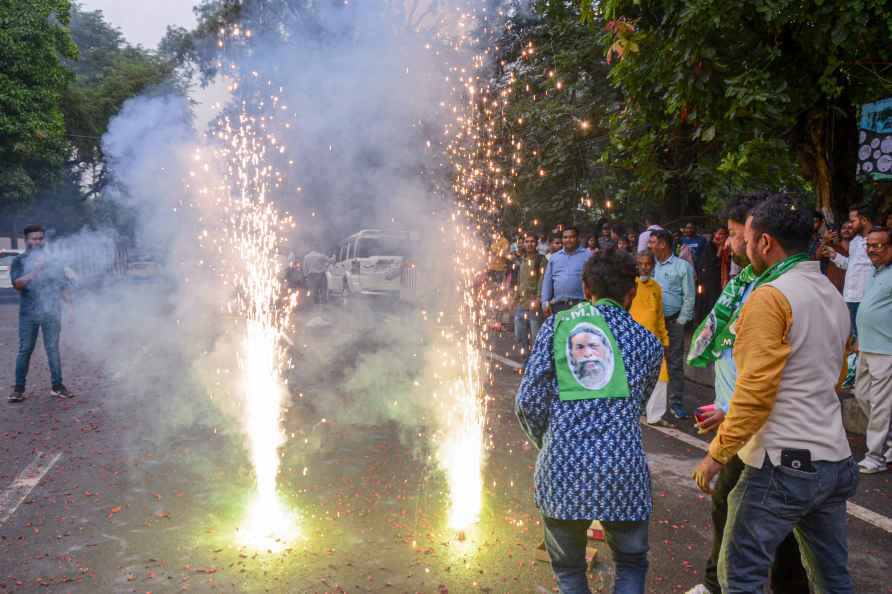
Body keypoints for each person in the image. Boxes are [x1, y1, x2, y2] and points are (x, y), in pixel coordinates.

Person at [692, 193, 856, 594]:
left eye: (747, 239)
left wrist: (717, 454)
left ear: (765, 243)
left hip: (783, 462)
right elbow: (838, 376)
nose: (744, 248)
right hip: (834, 460)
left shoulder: (771, 296)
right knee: (831, 580)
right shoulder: (831, 296)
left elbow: (755, 390)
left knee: (739, 575)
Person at [516, 250, 663, 594]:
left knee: (569, 570)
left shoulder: (558, 327)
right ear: (631, 293)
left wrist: (552, 440)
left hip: (562, 471)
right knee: (630, 563)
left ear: (585, 289)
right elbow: (637, 403)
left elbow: (527, 402)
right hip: (622, 472)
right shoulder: (649, 343)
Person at [684, 194, 809, 594]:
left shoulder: (770, 293)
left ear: (763, 239)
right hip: (756, 421)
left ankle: (718, 585)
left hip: (760, 425)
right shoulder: (753, 284)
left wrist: (722, 436)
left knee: (740, 512)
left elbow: (762, 374)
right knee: (783, 523)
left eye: (739, 236)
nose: (732, 245)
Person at [9, 225, 73, 402]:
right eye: (34, 238)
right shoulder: (19, 261)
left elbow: (63, 286)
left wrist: (73, 309)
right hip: (28, 314)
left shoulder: (53, 261)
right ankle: (18, 390)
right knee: (25, 349)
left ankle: (58, 387)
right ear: (26, 240)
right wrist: (37, 269)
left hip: (52, 311)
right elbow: (18, 284)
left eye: (40, 238)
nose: (37, 241)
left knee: (52, 349)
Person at [853, 227, 892, 474]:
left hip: (887, 350)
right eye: (869, 245)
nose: (871, 250)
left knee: (880, 404)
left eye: (878, 245)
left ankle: (875, 456)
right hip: (866, 347)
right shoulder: (877, 273)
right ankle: (889, 444)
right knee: (862, 395)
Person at [648, 229, 695, 419]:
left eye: (652, 242)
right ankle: (649, 402)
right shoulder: (649, 266)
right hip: (652, 322)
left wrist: (681, 320)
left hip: (673, 321)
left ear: (663, 244)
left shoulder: (683, 267)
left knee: (674, 363)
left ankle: (676, 403)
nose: (649, 246)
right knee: (652, 362)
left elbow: (689, 295)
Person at [629, 250, 670, 425]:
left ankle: (655, 416)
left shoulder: (656, 287)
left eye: (648, 264)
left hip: (654, 340)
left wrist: (664, 338)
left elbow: (660, 315)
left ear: (652, 266)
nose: (644, 268)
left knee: (662, 376)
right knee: (634, 377)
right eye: (641, 264)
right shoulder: (629, 286)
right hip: (633, 339)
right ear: (636, 265)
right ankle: (630, 413)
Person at [823, 203, 874, 337]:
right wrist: (834, 255)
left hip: (866, 299)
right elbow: (850, 265)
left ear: (863, 220)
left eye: (852, 221)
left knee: (864, 337)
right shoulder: (855, 241)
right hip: (849, 297)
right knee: (851, 336)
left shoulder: (878, 241)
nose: (850, 225)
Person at [541, 227, 590, 316]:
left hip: (582, 306)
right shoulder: (554, 258)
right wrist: (544, 302)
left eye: (572, 237)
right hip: (559, 306)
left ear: (578, 238)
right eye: (565, 237)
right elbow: (547, 282)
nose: (568, 240)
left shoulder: (587, 256)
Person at [514, 233, 548, 355]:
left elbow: (543, 280)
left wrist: (539, 299)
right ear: (523, 243)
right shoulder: (522, 260)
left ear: (537, 243)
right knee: (520, 336)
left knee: (536, 337)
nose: (529, 244)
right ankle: (526, 362)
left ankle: (536, 365)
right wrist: (514, 298)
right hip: (521, 304)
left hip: (534, 304)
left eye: (532, 241)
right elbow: (519, 281)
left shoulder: (541, 260)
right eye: (527, 241)